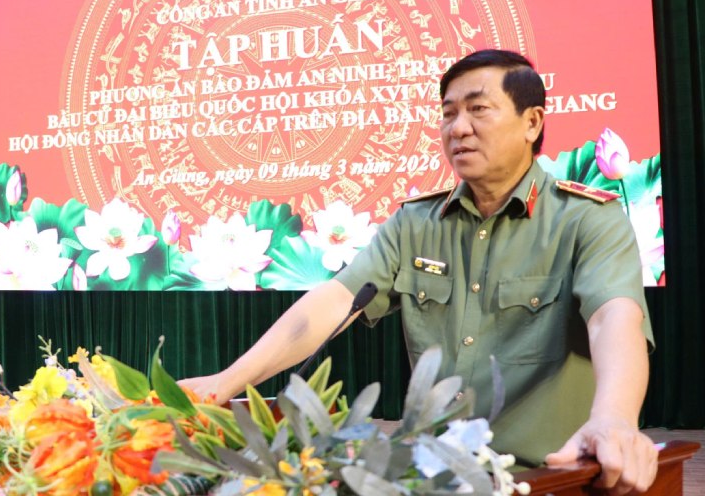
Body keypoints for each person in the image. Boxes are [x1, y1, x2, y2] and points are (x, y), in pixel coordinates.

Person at [180, 50, 658, 493]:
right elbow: (333, 303)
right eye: (448, 113)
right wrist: (228, 380)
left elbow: (613, 318)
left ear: (532, 122)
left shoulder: (587, 218)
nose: (458, 128)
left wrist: (614, 418)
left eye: (478, 109)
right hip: (431, 476)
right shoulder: (414, 224)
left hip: (539, 478)